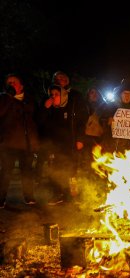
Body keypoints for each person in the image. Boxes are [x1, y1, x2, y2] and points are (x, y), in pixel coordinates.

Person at [38, 75, 88, 205]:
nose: (54, 96)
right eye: (52, 94)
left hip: (70, 142)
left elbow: (81, 121)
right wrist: (45, 108)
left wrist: (80, 139)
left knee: (72, 170)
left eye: (57, 93)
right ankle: (57, 194)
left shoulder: (73, 101)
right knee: (55, 170)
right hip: (54, 144)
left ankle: (72, 195)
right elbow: (39, 122)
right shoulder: (48, 106)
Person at [0, 73, 40, 208]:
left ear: (21, 86)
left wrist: (35, 142)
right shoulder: (3, 98)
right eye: (9, 82)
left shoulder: (29, 99)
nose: (11, 84)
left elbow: (35, 118)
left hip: (27, 143)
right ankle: (1, 199)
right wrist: (8, 97)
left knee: (27, 171)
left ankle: (29, 197)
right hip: (9, 142)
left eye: (14, 82)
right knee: (5, 172)